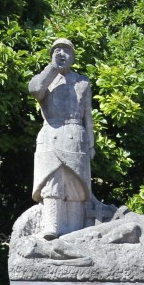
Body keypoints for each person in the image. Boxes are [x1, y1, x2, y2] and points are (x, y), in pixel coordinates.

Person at [29, 38, 98, 238]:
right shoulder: (46, 79)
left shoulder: (82, 81)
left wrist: (91, 144)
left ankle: (74, 231)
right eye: (57, 50)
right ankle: (51, 226)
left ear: (73, 56)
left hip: (76, 136)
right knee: (52, 181)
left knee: (76, 184)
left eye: (66, 50)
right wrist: (52, 68)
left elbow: (88, 115)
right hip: (51, 134)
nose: (61, 54)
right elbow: (34, 89)